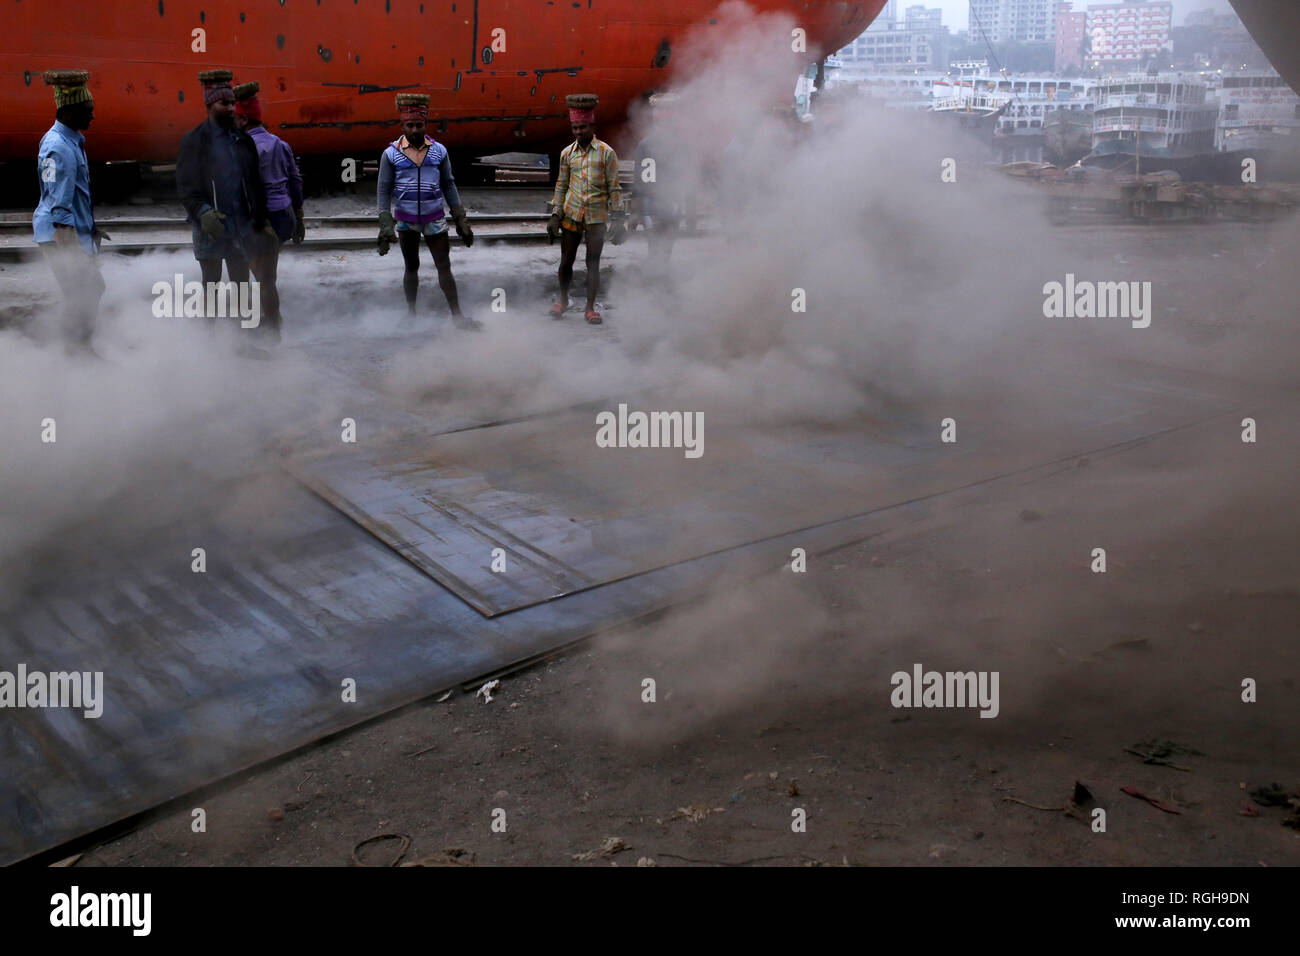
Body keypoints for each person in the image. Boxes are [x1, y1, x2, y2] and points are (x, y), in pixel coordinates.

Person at [176, 69, 272, 324]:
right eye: (224, 103)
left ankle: (240, 342)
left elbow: (255, 185)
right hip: (210, 226)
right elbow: (186, 187)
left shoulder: (242, 140)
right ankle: (210, 341)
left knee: (241, 283)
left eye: (232, 103)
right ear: (209, 104)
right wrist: (202, 212)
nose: (231, 108)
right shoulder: (193, 142)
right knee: (211, 283)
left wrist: (261, 222)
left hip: (240, 225)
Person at [376, 92, 478, 330]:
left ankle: (457, 316)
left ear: (425, 124)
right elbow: (383, 190)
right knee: (411, 267)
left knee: (444, 266)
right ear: (402, 125)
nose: (414, 129)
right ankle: (411, 315)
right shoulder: (391, 154)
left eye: (418, 125)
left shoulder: (439, 151)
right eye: (409, 125)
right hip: (405, 220)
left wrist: (460, 217)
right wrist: (384, 220)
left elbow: (449, 184)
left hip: (435, 218)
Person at [32, 69, 105, 352]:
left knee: (88, 291)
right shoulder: (60, 147)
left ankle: (78, 348)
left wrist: (92, 229)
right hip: (61, 234)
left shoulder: (69, 140)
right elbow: (60, 205)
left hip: (70, 231)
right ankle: (76, 351)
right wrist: (72, 251)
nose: (93, 115)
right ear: (69, 112)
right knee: (84, 292)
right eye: (88, 110)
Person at [233, 80, 304, 341]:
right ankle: (272, 320)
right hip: (284, 215)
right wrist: (299, 216)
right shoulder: (280, 144)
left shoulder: (242, 148)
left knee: (263, 277)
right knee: (266, 274)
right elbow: (295, 181)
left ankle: (274, 327)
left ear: (242, 120)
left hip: (261, 219)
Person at [547, 93, 625, 325]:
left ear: (592, 125)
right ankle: (562, 301)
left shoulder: (606, 153)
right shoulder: (566, 154)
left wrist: (619, 218)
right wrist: (554, 214)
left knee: (593, 263)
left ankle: (590, 308)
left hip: (596, 216)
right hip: (571, 214)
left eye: (582, 127)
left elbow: (614, 188)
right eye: (574, 128)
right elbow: (561, 186)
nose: (578, 132)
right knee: (565, 261)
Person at [632, 92, 688, 277]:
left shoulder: (645, 144)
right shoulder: (681, 144)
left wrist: (637, 211)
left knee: (655, 248)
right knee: (664, 249)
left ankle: (656, 284)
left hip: (653, 203)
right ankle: (659, 284)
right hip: (670, 203)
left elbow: (639, 182)